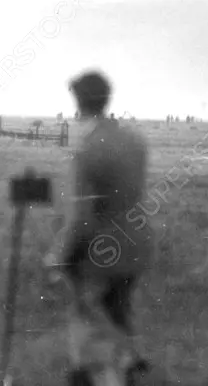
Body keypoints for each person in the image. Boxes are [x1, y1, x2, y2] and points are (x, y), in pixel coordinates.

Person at [47, 70, 154, 386]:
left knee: (91, 325)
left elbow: (80, 217)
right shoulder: (134, 140)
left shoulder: (87, 149)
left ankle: (108, 373)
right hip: (137, 245)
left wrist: (59, 255)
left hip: (102, 253)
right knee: (118, 311)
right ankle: (129, 363)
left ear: (78, 103)